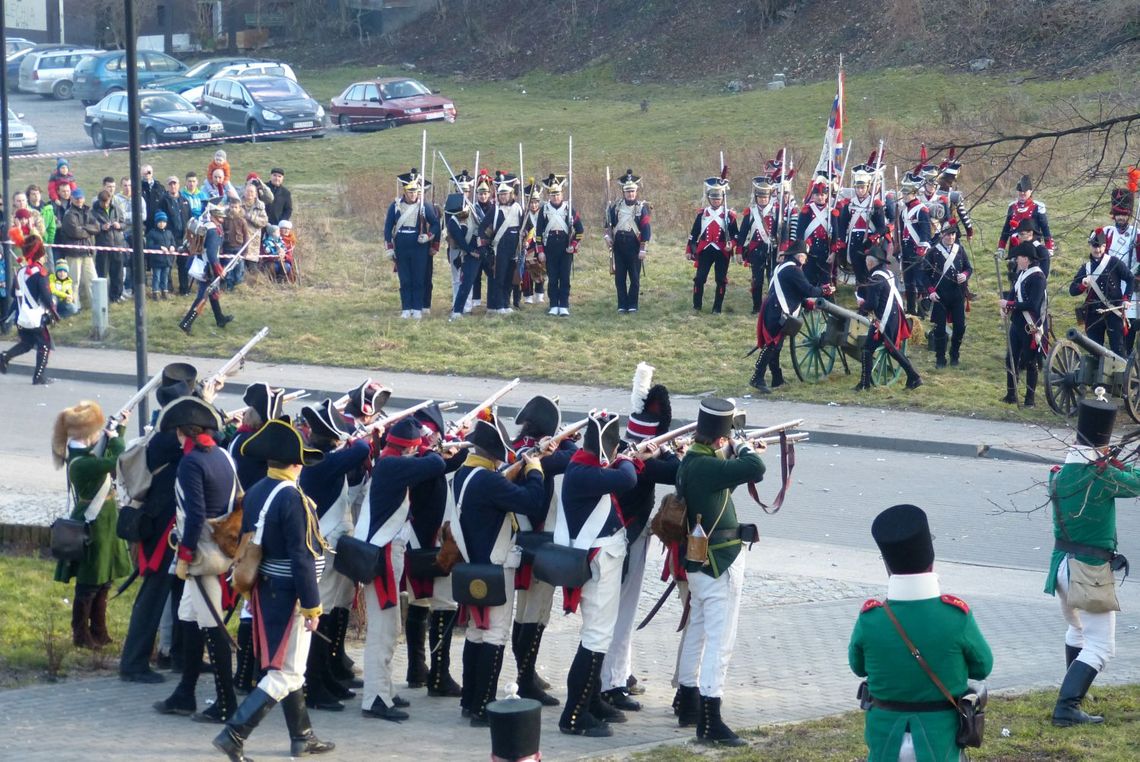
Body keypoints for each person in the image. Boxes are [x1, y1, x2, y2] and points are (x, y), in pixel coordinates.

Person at [213, 418, 336, 761]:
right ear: (296, 463)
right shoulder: (292, 498)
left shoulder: (257, 490)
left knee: (289, 669)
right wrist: (312, 607)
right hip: (290, 594)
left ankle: (302, 737)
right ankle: (234, 734)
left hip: (267, 589)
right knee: (286, 673)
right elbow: (301, 557)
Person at [849, 504, 993, 761]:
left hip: (884, 740)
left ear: (888, 565)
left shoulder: (870, 618)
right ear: (931, 562)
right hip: (940, 741)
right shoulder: (955, 615)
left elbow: (858, 667)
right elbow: (982, 667)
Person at [674, 398, 766, 746]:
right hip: (719, 563)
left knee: (698, 631)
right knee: (720, 642)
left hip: (701, 564)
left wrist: (731, 450)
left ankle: (688, 702)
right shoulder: (707, 467)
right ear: (720, 438)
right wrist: (742, 446)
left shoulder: (693, 461)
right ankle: (711, 719)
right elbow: (755, 467)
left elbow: (729, 474)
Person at [1045, 398, 1140, 726]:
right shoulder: (1098, 478)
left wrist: (1107, 463)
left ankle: (1073, 696)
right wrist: (1120, 466)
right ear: (1104, 444)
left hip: (1061, 567)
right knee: (1102, 647)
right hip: (1087, 571)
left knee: (1078, 629)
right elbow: (1137, 483)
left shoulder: (1058, 474)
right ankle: (1066, 708)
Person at [452, 419, 545, 726]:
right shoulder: (489, 480)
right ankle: (483, 707)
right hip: (495, 565)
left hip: (474, 563)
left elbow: (499, 495)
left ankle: (470, 701)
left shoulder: (466, 473)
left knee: (477, 633)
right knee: (494, 634)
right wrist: (535, 471)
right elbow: (532, 501)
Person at [153, 395, 240, 723]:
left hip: (202, 552)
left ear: (184, 433)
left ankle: (226, 702)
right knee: (187, 616)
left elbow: (195, 512)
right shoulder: (223, 456)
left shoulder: (191, 462)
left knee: (212, 624)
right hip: (221, 546)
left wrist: (186, 552)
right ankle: (184, 694)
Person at [557, 412, 642, 737]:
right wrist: (625, 457)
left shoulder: (587, 466)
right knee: (594, 637)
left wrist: (626, 457)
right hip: (597, 563)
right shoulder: (581, 471)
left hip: (604, 559)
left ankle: (591, 701)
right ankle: (575, 714)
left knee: (600, 636)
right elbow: (627, 478)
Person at [600, 367, 680, 711]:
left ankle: (621, 671)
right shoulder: (643, 462)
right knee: (619, 612)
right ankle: (610, 681)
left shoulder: (625, 451)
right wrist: (669, 452)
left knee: (622, 612)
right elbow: (677, 471)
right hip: (623, 539)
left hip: (623, 537)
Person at [358, 417, 446, 721]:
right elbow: (435, 465)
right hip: (383, 555)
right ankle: (374, 698)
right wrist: (434, 449)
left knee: (390, 627)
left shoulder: (391, 461)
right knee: (383, 631)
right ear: (409, 448)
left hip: (388, 553)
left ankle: (383, 688)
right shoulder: (392, 465)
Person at [119, 373, 193, 683]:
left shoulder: (165, 435)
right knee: (153, 595)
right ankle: (133, 662)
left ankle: (179, 655)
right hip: (161, 526)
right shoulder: (166, 440)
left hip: (169, 523)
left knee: (178, 590)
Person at [297, 400, 371, 709]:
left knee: (336, 608)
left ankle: (326, 675)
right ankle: (314, 685)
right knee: (322, 616)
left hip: (334, 547)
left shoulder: (326, 459)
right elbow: (361, 451)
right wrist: (356, 439)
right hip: (322, 548)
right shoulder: (320, 463)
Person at [510, 396, 576, 708]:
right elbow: (571, 459)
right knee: (534, 612)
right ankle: (525, 681)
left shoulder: (519, 446)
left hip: (523, 539)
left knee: (526, 612)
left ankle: (528, 673)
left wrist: (556, 439)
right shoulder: (536, 455)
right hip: (537, 539)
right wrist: (563, 441)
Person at [50, 400, 132, 648]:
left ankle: (99, 630)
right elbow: (116, 460)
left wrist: (120, 428)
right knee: (88, 583)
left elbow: (106, 455)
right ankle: (81, 635)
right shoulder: (82, 463)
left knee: (103, 581)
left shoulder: (85, 455)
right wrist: (117, 438)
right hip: (93, 523)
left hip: (105, 522)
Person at [404, 404, 467, 696]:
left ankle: (417, 668)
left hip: (416, 542)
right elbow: (447, 463)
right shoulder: (426, 461)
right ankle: (439, 675)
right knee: (444, 605)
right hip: (431, 545)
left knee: (419, 604)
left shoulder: (417, 459)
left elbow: (448, 463)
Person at [750, 241, 834, 393]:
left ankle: (777, 378)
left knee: (776, 346)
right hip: (778, 309)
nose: (805, 260)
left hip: (774, 307)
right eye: (804, 256)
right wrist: (824, 290)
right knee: (772, 345)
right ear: (799, 256)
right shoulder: (794, 270)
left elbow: (793, 291)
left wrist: (807, 304)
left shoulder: (782, 267)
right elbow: (808, 290)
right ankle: (757, 377)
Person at [857, 243, 922, 391]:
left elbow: (873, 302)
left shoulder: (876, 278)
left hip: (885, 318)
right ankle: (913, 377)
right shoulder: (885, 273)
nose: (866, 264)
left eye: (867, 261)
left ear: (871, 262)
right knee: (891, 349)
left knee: (869, 349)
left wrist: (861, 310)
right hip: (892, 315)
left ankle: (865, 384)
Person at [384, 169, 440, 319]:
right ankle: (406, 308)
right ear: (405, 191)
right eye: (410, 191)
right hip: (402, 245)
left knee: (418, 278)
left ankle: (417, 308)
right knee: (405, 279)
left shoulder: (424, 206)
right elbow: (388, 228)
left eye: (415, 191)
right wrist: (389, 247)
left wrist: (428, 237)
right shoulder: (395, 206)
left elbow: (435, 224)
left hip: (419, 246)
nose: (413, 194)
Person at [1, 236, 58, 384]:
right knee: (44, 345)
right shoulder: (41, 273)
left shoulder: (20, 272)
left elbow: (14, 294)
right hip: (35, 317)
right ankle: (39, 376)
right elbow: (46, 297)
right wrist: (54, 312)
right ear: (39, 253)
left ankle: (6, 356)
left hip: (22, 317)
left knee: (27, 343)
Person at [1069, 228, 1133, 357]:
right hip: (1093, 313)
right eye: (1094, 246)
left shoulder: (1114, 262)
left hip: (1114, 311)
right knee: (1095, 350)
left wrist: (1126, 298)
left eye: (1101, 246)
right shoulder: (1086, 268)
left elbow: (1130, 278)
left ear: (1105, 246)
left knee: (1118, 349)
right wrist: (1082, 285)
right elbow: (1072, 290)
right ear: (1090, 246)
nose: (1097, 250)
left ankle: (1120, 376)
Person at [836, 157, 890, 288]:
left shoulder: (875, 204)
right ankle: (861, 300)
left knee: (870, 273)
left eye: (863, 187)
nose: (860, 190)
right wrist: (842, 243)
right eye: (858, 187)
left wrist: (871, 239)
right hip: (854, 242)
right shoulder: (850, 204)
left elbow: (882, 228)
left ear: (868, 187)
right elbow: (842, 226)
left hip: (869, 243)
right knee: (858, 273)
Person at [179, 204, 234, 334]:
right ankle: (186, 322)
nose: (223, 219)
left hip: (204, 263)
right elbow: (211, 254)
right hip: (207, 267)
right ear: (215, 216)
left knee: (212, 292)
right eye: (221, 217)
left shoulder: (207, 226)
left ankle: (219, 318)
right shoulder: (214, 231)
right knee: (202, 296)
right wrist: (219, 270)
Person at [687, 177, 739, 313]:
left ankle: (717, 308)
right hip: (705, 250)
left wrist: (731, 244)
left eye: (719, 198)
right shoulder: (702, 214)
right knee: (699, 279)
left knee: (721, 280)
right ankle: (696, 306)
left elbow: (736, 235)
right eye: (714, 198)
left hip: (722, 250)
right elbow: (693, 233)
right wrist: (689, 249)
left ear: (722, 199)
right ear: (709, 199)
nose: (716, 201)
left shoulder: (729, 216)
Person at [924, 224, 973, 369]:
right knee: (939, 329)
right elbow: (924, 274)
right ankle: (940, 358)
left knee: (959, 327)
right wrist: (931, 291)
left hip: (957, 294)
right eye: (948, 234)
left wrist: (964, 275)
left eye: (953, 235)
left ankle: (954, 354)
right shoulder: (933, 252)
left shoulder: (960, 250)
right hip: (940, 295)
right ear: (942, 235)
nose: (951, 237)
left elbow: (968, 268)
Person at [605, 169, 651, 314]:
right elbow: (608, 225)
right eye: (628, 191)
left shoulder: (641, 208)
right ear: (623, 192)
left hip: (634, 247)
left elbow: (646, 229)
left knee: (635, 278)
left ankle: (632, 304)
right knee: (620, 278)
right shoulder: (616, 207)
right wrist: (607, 237)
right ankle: (622, 304)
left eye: (632, 191)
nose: (630, 194)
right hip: (619, 247)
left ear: (636, 192)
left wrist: (643, 248)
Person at [736, 176, 780, 314]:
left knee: (772, 279)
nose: (762, 200)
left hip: (772, 249)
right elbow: (743, 232)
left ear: (769, 197)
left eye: (765, 197)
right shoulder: (751, 212)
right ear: (756, 197)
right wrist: (738, 251)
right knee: (757, 280)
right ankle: (757, 307)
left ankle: (773, 306)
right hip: (755, 250)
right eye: (760, 197)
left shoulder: (776, 211)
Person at [1105, 184, 1140, 353]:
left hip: (1130, 284)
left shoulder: (1137, 234)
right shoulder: (1107, 232)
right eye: (1118, 214)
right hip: (1110, 285)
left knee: (1129, 327)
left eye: (1124, 214)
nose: (1120, 218)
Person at [481, 172, 522, 315]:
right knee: (500, 278)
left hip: (514, 249)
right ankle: (499, 306)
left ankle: (506, 303)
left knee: (510, 279)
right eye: (501, 194)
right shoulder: (495, 210)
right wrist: (486, 246)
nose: (503, 197)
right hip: (500, 249)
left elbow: (526, 227)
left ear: (511, 194)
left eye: (505, 194)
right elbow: (483, 229)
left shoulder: (518, 208)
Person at [997, 174, 1053, 276]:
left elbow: (1045, 228)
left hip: (1032, 246)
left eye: (1025, 191)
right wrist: (1001, 247)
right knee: (1014, 275)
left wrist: (1049, 248)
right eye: (1020, 191)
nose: (1022, 193)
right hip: (1015, 247)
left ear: (1030, 191)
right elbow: (1006, 229)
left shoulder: (1037, 207)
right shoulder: (1012, 207)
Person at [896, 172, 932, 317]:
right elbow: (900, 231)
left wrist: (922, 249)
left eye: (907, 194)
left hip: (917, 250)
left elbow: (925, 231)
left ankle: (922, 310)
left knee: (919, 281)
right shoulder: (904, 211)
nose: (904, 196)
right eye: (903, 193)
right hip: (906, 250)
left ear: (914, 193)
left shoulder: (922, 209)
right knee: (908, 282)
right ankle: (911, 309)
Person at [59, 188, 99, 311]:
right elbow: (75, 232)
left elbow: (97, 227)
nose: (79, 200)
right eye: (76, 198)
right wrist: (88, 230)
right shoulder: (69, 214)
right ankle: (73, 307)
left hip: (86, 251)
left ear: (84, 198)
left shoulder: (88, 211)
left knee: (93, 279)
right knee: (73, 281)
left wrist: (84, 228)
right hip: (73, 253)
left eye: (80, 198)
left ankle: (97, 305)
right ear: (71, 199)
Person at [792, 177, 836, 289]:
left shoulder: (831, 212)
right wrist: (802, 251)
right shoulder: (807, 210)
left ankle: (825, 304)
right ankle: (809, 304)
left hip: (826, 250)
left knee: (825, 280)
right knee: (808, 278)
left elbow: (836, 234)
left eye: (822, 195)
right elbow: (800, 232)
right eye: (817, 195)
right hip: (809, 249)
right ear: (813, 196)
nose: (820, 197)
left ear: (826, 196)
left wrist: (833, 252)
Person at [92, 188, 126, 302]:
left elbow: (124, 223)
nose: (105, 205)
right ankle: (102, 297)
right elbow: (92, 227)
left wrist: (119, 225)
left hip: (117, 244)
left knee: (117, 273)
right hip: (103, 246)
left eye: (107, 202)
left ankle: (116, 296)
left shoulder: (116, 208)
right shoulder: (94, 212)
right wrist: (101, 228)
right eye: (103, 202)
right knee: (102, 273)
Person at [518, 179, 545, 306]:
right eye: (531, 203)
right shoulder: (523, 214)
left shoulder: (544, 213)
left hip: (540, 244)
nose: (534, 205)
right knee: (527, 270)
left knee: (540, 268)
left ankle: (540, 293)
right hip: (527, 245)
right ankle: (528, 295)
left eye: (536, 202)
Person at [145, 211, 177, 300]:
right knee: (156, 277)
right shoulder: (152, 233)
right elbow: (149, 246)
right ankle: (155, 292)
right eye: (160, 222)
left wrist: (172, 246)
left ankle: (165, 291)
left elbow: (173, 242)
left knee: (165, 277)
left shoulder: (169, 233)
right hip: (156, 260)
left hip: (167, 260)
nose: (162, 224)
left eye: (163, 222)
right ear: (156, 222)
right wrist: (160, 247)